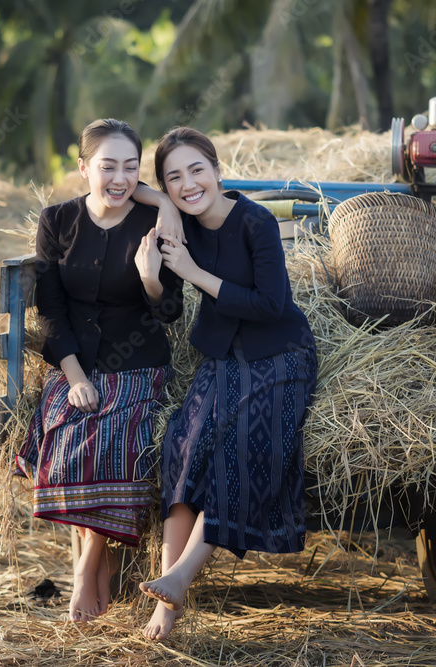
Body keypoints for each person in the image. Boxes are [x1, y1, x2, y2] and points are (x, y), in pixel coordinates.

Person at [132, 127, 318, 640]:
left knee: (239, 444)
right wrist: (153, 275)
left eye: (197, 170)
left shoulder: (254, 221)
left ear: (217, 169)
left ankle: (179, 580)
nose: (189, 184)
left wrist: (192, 270)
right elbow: (168, 311)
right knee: (183, 443)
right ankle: (165, 606)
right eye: (174, 178)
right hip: (222, 357)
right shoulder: (177, 225)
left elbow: (270, 305)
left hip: (280, 353)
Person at [13, 118, 183, 623]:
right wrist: (76, 377)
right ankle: (99, 556)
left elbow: (170, 311)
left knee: (116, 437)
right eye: (107, 165)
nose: (120, 177)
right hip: (73, 363)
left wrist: (151, 280)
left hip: (138, 362)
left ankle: (89, 565)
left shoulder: (151, 224)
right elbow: (51, 311)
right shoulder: (57, 221)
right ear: (83, 166)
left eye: (131, 167)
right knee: (66, 438)